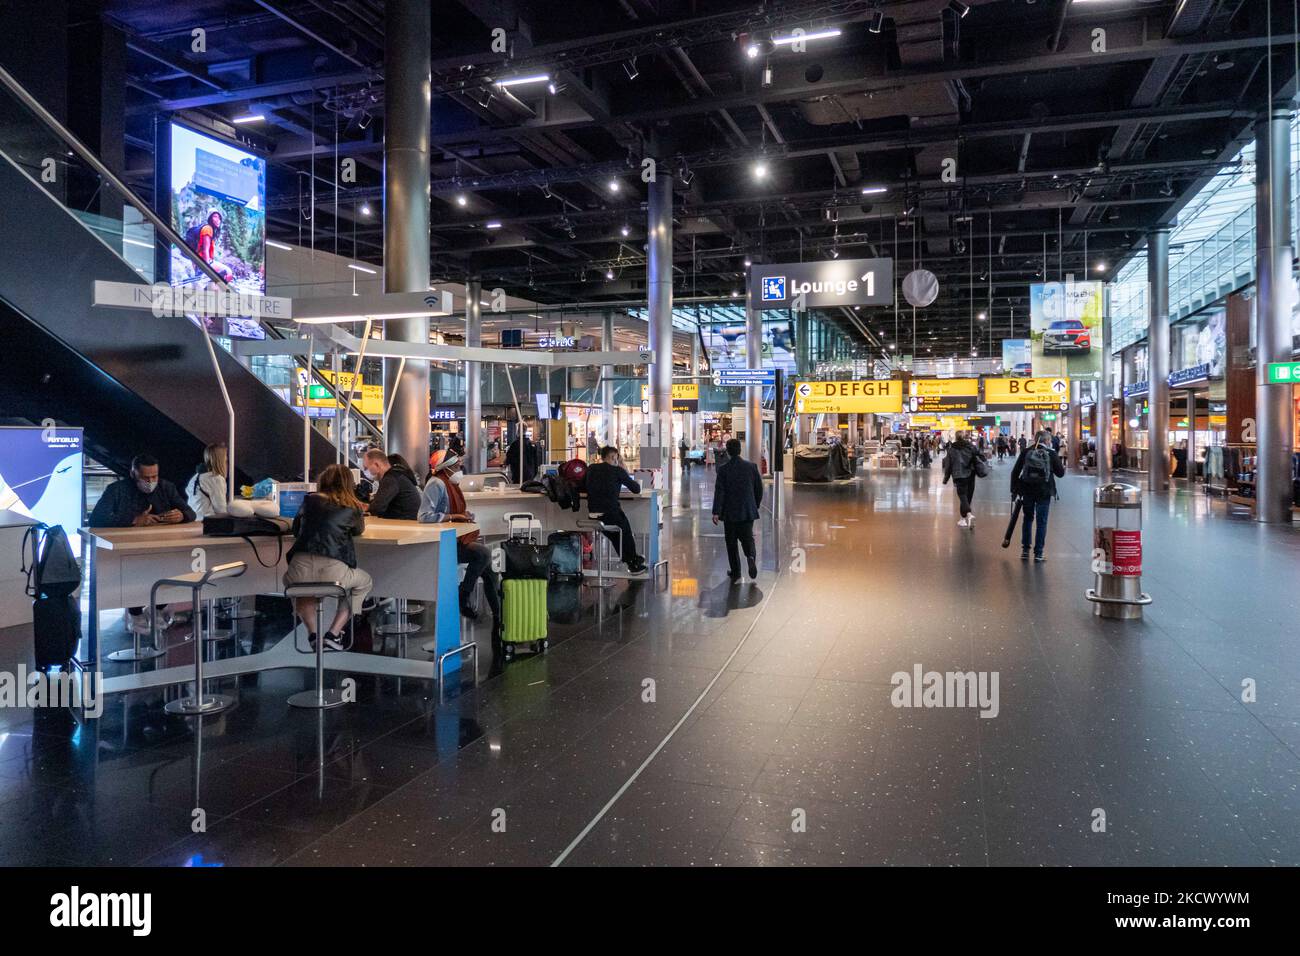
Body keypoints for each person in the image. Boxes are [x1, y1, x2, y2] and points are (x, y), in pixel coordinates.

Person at [283, 464, 372, 651]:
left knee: (303, 588)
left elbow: (296, 529)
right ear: (349, 484)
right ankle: (333, 634)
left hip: (298, 569)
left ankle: (313, 634)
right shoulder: (352, 508)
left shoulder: (308, 501)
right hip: (334, 573)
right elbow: (358, 530)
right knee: (363, 582)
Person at [420, 450, 500, 628]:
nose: (459, 469)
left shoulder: (449, 484)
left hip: (453, 539)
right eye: (456, 466)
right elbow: (424, 516)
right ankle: (463, 595)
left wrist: (461, 516)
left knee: (488, 569)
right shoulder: (436, 484)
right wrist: (453, 516)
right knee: (483, 554)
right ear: (446, 468)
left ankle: (498, 614)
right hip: (442, 544)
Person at [89, 453, 194, 529]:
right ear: (133, 474)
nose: (150, 481)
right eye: (145, 477)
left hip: (161, 539)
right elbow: (96, 519)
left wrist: (182, 516)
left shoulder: (167, 487)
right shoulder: (116, 489)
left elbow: (191, 513)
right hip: (125, 541)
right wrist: (134, 520)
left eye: (154, 477)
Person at [584, 446, 647, 574]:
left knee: (615, 535)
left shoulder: (591, 469)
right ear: (614, 457)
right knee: (625, 530)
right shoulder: (617, 471)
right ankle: (632, 562)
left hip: (593, 514)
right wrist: (623, 469)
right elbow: (636, 489)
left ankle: (632, 559)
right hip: (610, 514)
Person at [712, 438, 763, 582]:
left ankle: (736, 571)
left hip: (730, 513)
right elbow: (759, 489)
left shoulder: (723, 470)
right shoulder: (751, 467)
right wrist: (755, 504)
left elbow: (720, 492)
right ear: (740, 450)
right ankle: (751, 557)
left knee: (731, 543)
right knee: (748, 539)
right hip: (747, 510)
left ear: (727, 452)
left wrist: (716, 512)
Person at [1010, 429, 1066, 562]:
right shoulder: (1051, 453)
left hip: (1027, 490)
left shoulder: (1026, 452)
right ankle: (1039, 553)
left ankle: (1025, 550)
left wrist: (1014, 490)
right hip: (1044, 492)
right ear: (1047, 441)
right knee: (1042, 522)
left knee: (1028, 519)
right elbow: (1060, 473)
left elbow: (1015, 472)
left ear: (1035, 440)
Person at [361, 448, 420, 520]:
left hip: (403, 524)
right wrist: (369, 507)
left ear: (376, 465)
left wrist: (369, 508)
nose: (365, 471)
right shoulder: (396, 475)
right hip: (406, 522)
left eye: (366, 468)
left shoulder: (390, 479)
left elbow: (377, 508)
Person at [942, 431, 985, 528]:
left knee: (963, 497)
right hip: (971, 474)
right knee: (967, 497)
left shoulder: (952, 449)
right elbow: (980, 455)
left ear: (956, 438)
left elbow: (948, 466)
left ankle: (968, 515)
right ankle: (963, 519)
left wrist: (946, 479)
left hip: (958, 476)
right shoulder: (970, 446)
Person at [186, 209, 234, 283]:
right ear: (210, 218)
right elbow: (205, 250)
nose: (218, 220)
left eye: (219, 218)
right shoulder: (208, 229)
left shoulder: (208, 228)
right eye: (215, 216)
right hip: (203, 263)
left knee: (225, 273)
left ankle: (211, 286)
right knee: (229, 273)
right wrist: (207, 268)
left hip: (201, 261)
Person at [186, 443, 229, 519]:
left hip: (194, 519)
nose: (226, 458)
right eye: (225, 456)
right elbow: (221, 509)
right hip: (207, 522)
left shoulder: (196, 476)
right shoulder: (215, 478)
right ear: (221, 459)